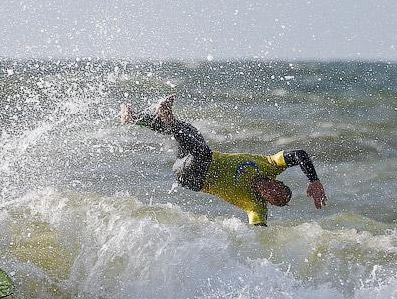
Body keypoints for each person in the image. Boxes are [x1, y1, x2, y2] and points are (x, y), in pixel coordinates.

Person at [120, 94, 326, 226]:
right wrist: (313, 181)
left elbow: (259, 237)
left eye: (275, 200)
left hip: (191, 177)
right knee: (190, 131)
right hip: (191, 158)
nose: (272, 194)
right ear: (276, 181)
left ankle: (167, 118)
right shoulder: (270, 164)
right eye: (277, 191)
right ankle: (137, 119)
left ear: (268, 202)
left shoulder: (255, 206)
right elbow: (300, 154)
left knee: (202, 151)